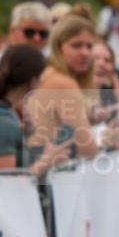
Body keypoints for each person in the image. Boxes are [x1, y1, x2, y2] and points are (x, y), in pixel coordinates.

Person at [26, 16, 105, 163]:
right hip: (48, 175)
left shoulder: (47, 75)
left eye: (89, 46)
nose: (85, 53)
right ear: (58, 47)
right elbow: (87, 148)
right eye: (76, 46)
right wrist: (105, 141)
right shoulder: (63, 83)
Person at [0, 44, 71, 173]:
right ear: (33, 81)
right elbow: (4, 183)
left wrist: (26, 134)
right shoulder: (2, 122)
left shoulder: (6, 114)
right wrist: (45, 162)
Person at [0, 2, 52, 74]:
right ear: (13, 31)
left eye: (43, 33)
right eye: (29, 32)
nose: (37, 38)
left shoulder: (54, 65)